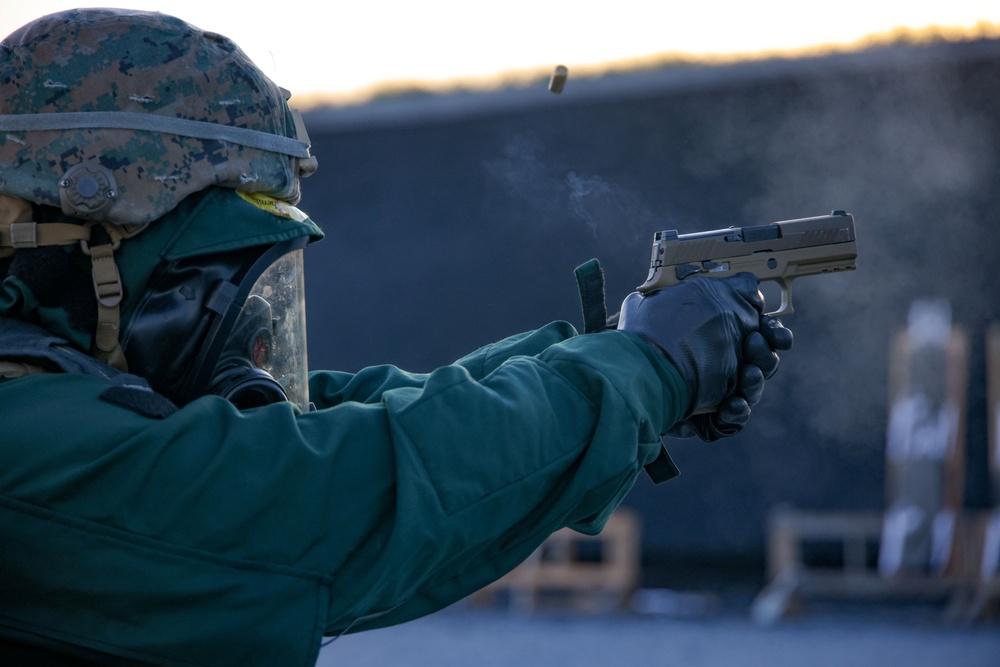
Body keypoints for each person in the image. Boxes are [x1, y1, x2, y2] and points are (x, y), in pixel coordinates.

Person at [0, 8, 792, 666]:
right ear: (83, 234)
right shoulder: (28, 443)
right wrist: (642, 370)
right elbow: (329, 493)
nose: (244, 334)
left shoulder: (52, 386)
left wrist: (617, 359)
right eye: (207, 279)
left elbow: (346, 420)